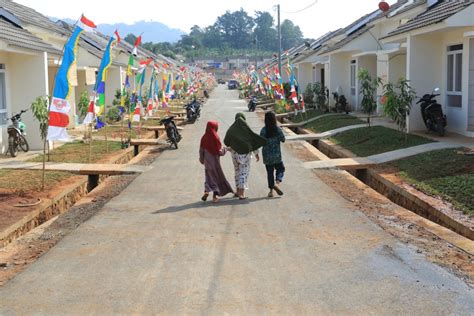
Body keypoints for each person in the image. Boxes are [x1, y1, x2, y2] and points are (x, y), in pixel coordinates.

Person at [224, 113, 267, 200]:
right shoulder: (246, 128)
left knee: (237, 172)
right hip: (245, 155)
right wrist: (256, 154)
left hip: (234, 155)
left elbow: (226, 141)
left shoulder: (232, 129)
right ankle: (241, 193)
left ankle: (237, 191)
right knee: (243, 173)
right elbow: (252, 141)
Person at [199, 121, 234, 203]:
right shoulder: (216, 138)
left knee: (208, 177)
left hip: (207, 163)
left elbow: (201, 150)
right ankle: (214, 197)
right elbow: (220, 152)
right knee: (216, 178)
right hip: (215, 163)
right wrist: (227, 149)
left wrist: (201, 159)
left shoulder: (204, 138)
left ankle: (207, 191)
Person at [260, 112, 286, 198]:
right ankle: (277, 184)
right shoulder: (278, 130)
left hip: (267, 156)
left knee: (270, 172)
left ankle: (271, 191)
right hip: (277, 156)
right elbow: (283, 139)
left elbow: (260, 142)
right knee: (281, 168)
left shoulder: (263, 130)